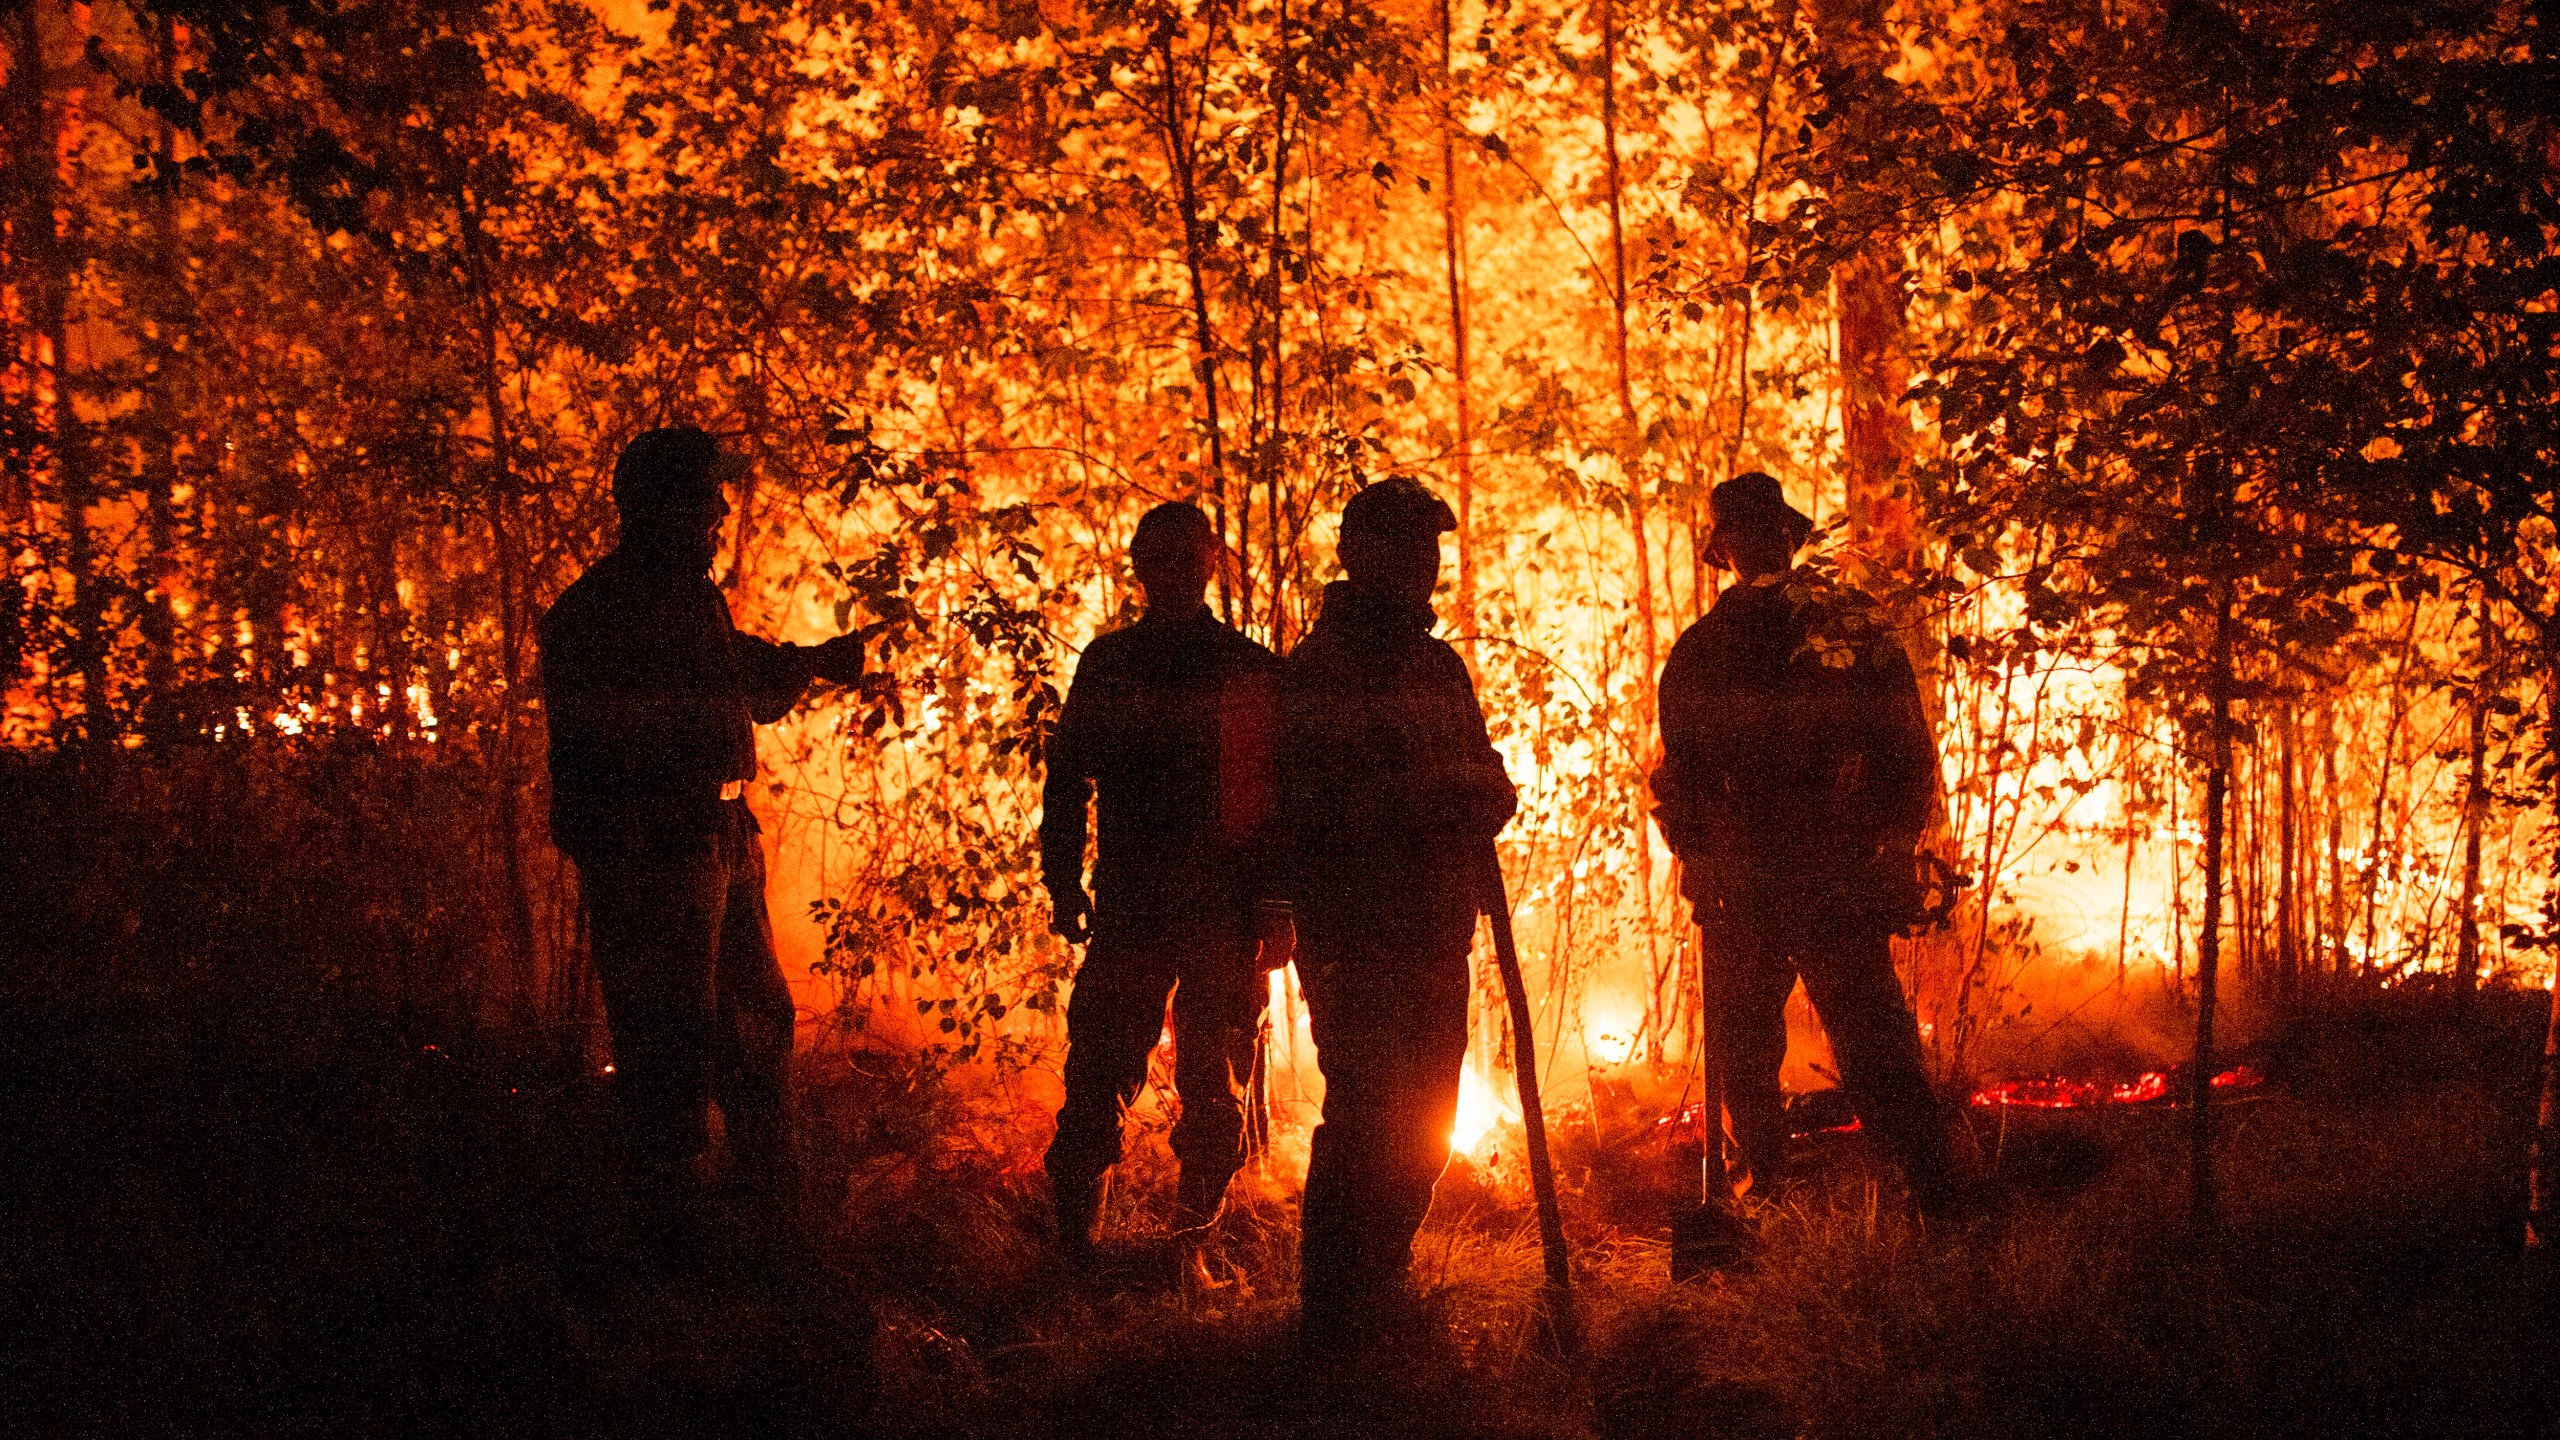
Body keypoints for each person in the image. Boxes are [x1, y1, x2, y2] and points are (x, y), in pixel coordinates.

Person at [539, 426, 869, 1253]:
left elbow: (735, 674)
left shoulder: (686, 598)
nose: (722, 512)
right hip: (661, 849)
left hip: (716, 836)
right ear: (663, 506)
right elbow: (644, 728)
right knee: (669, 1042)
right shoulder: (600, 614)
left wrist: (812, 662)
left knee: (754, 1022)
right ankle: (674, 1244)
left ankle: (761, 1219)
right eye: (706, 498)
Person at [1652, 471, 1955, 1213]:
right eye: (1745, 531)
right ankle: (1778, 1205)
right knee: (1753, 1058)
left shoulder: (1838, 633)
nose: (1757, 543)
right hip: (1763, 884)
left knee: (1863, 1047)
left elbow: (1907, 756)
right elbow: (1680, 781)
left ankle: (1927, 1200)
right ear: (1728, 547)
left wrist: (1887, 844)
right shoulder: (1725, 648)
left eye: (1764, 530)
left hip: (1821, 878)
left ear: (1782, 537)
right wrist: (1704, 857)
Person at [1278, 477, 1516, 1344]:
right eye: (1407, 548)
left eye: (1430, 548)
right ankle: (1334, 1316)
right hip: (1357, 936)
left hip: (1435, 929)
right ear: (1357, 556)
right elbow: (1309, 815)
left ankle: (1382, 1281)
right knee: (1367, 1118)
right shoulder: (1318, 673)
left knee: (1426, 1124)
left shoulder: (1437, 665)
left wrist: (1481, 788)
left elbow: (1486, 772)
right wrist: (1435, 792)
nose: (1426, 565)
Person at [1040, 502, 1288, 1263]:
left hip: (1180, 906)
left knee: (1174, 1084)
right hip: (1174, 905)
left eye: (1186, 557)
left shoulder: (1136, 664)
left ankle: (1164, 1254)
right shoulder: (1231, 665)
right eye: (1168, 558)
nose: (1177, 571)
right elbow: (1069, 776)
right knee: (1127, 1077)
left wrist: (1063, 879)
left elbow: (1274, 797)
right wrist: (1061, 878)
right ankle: (1145, 1255)